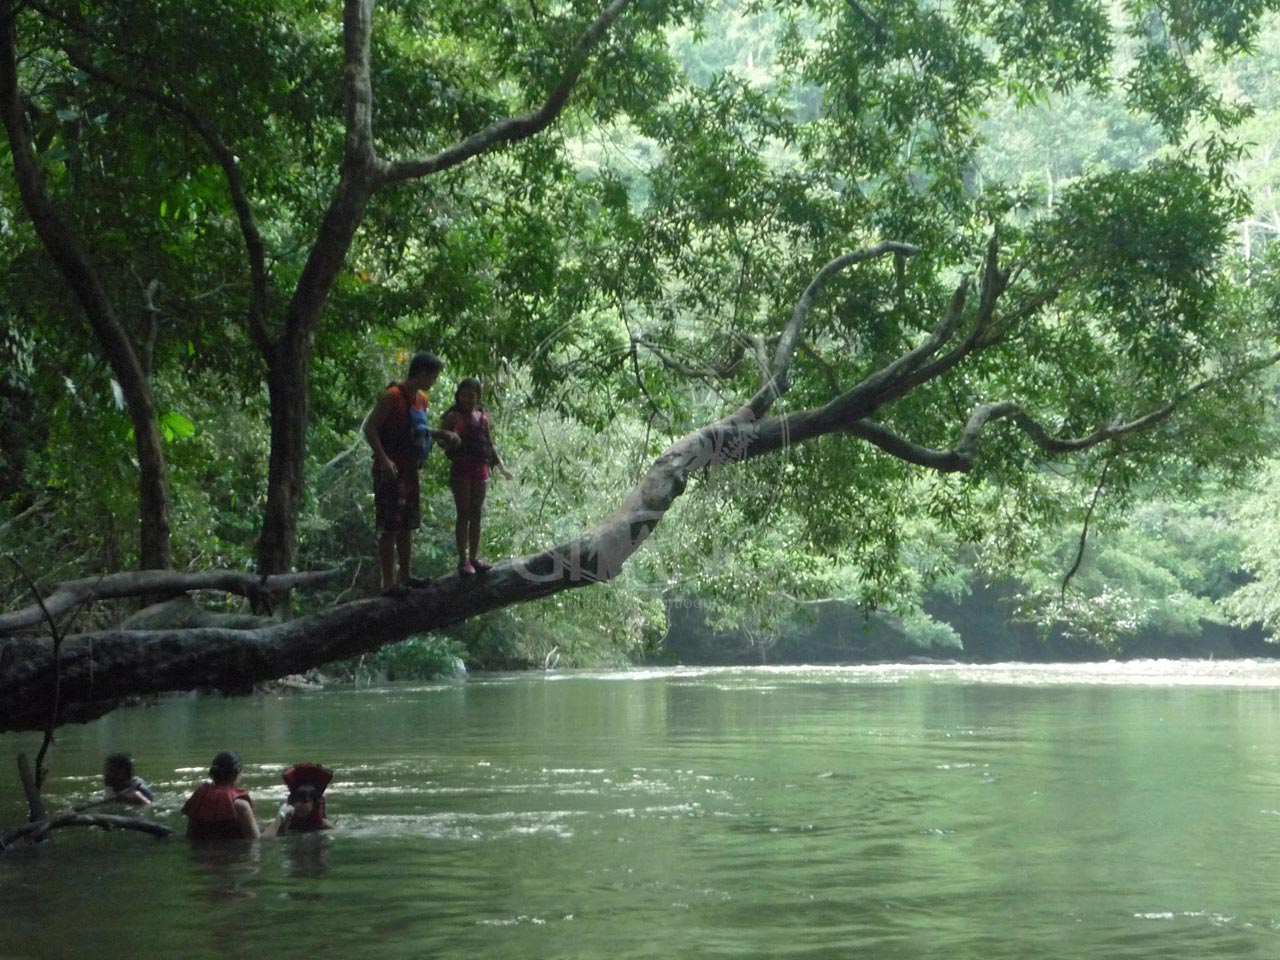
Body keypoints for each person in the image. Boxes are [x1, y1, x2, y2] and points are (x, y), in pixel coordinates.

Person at [362, 352, 460, 595]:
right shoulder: (391, 396)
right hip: (390, 471)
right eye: (433, 376)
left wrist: (442, 435)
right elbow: (370, 428)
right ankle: (388, 583)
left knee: (407, 524)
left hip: (410, 470)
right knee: (389, 526)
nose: (434, 381)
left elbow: (419, 431)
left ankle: (405, 576)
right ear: (422, 372)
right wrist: (384, 460)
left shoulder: (422, 400)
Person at [440, 377, 513, 576]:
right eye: (464, 394)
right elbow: (440, 441)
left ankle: (474, 557)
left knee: (476, 513)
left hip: (480, 469)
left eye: (471, 395)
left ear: (478, 397)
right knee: (463, 513)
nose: (467, 399)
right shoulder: (453, 417)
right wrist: (450, 439)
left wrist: (502, 468)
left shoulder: (483, 417)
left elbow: (489, 444)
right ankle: (463, 560)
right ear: (458, 395)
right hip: (461, 468)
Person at [181, 750, 259, 840]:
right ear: (237, 772)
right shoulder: (241, 806)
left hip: (200, 853)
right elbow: (256, 841)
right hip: (233, 853)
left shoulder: (198, 797)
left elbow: (190, 836)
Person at [264, 763, 334, 837]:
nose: (298, 804)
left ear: (313, 803)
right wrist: (283, 822)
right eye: (295, 800)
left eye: (304, 800)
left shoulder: (324, 825)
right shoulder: (285, 818)